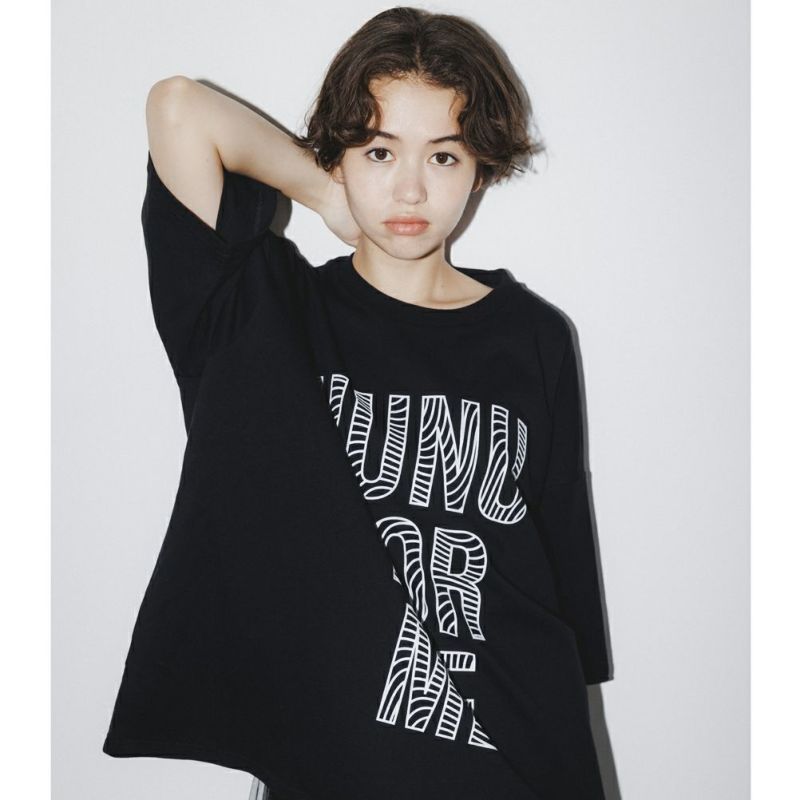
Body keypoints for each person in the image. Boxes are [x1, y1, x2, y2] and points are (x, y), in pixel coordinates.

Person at [102, 7, 613, 799]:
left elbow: (561, 578)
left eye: (443, 155)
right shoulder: (267, 318)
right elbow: (178, 108)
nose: (410, 187)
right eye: (379, 150)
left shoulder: (535, 336)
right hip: (327, 760)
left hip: (514, 758)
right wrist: (322, 192)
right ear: (339, 152)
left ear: (480, 166)